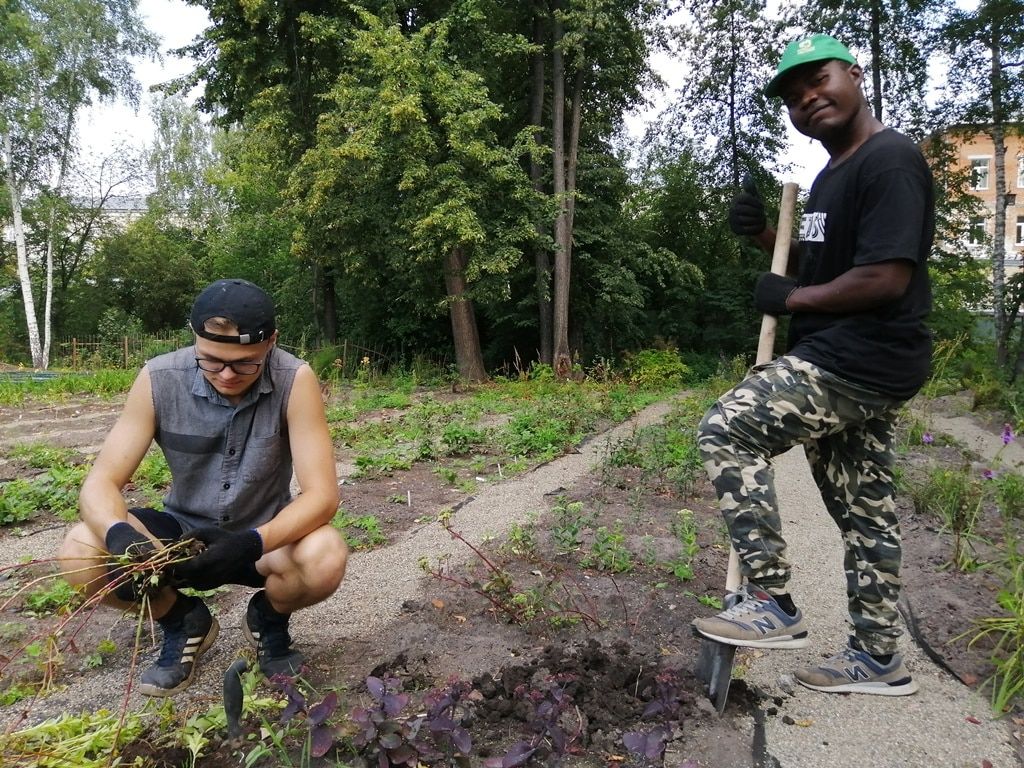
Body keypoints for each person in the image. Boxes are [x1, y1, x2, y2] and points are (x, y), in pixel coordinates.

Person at [691, 34, 933, 696]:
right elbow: (822, 267)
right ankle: (879, 659)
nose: (808, 98)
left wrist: (791, 298)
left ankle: (770, 602)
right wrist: (765, 239)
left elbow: (883, 277)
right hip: (859, 360)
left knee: (728, 428)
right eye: (794, 96)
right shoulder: (833, 175)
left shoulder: (889, 161)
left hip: (857, 356)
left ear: (854, 74)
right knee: (864, 511)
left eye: (818, 79)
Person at [58, 278, 347, 697]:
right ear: (194, 338)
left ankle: (268, 619)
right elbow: (100, 482)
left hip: (263, 538)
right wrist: (119, 534)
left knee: (326, 555)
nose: (226, 374)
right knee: (81, 551)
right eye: (211, 361)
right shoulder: (158, 378)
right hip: (182, 534)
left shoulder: (294, 379)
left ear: (271, 343)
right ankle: (182, 620)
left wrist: (249, 543)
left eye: (245, 364)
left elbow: (323, 496)